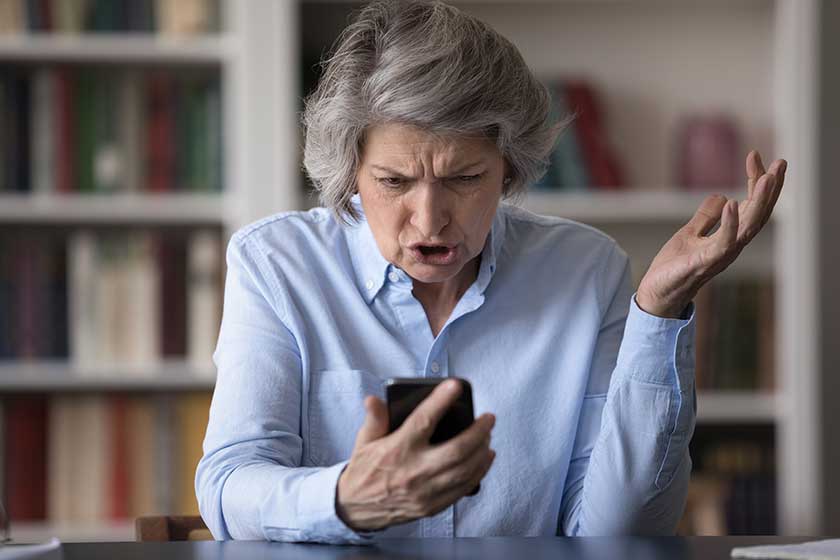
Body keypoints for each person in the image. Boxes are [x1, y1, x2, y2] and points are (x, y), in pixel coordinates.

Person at [195, 0, 786, 544]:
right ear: (350, 174)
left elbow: (619, 531)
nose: (429, 219)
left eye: (464, 178)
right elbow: (228, 487)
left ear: (508, 170)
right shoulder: (278, 267)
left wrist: (659, 310)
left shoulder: (588, 271)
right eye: (394, 181)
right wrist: (345, 498)